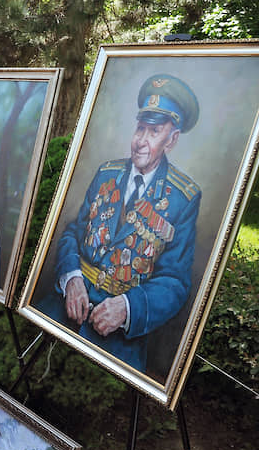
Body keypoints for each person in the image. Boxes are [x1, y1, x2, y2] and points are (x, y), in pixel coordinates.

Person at [45, 73, 201, 373]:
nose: (140, 141)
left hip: (118, 336)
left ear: (172, 139)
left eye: (153, 132)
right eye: (140, 128)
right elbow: (73, 233)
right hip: (65, 305)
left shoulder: (183, 198)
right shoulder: (107, 173)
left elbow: (175, 282)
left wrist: (128, 308)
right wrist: (72, 277)